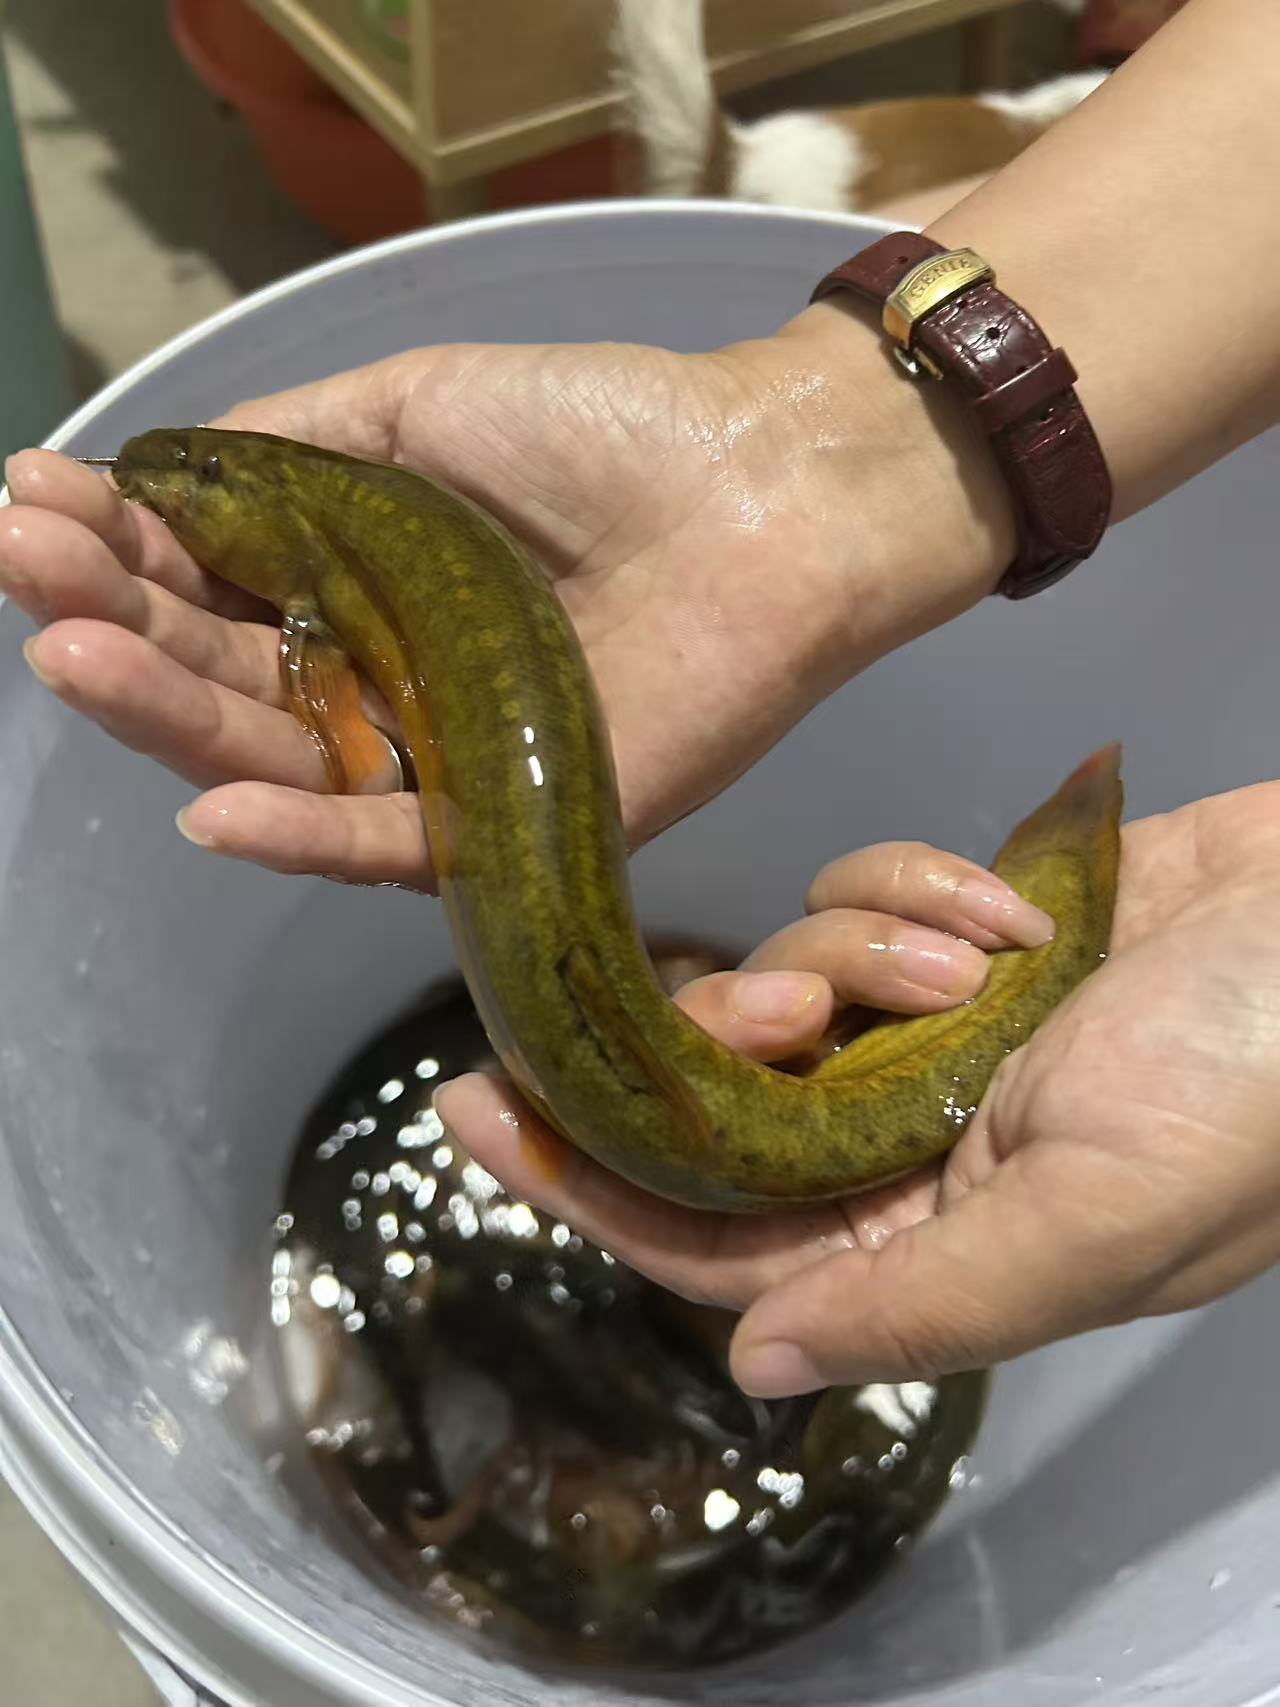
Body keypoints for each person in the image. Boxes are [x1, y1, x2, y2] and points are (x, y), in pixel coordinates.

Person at [3, 0, 1279, 1400]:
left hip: (640, 1026)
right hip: (623, 991)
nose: (169, 499)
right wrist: (825, 447)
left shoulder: (327, 585)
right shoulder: (342, 549)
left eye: (189, 486)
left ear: (277, 540)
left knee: (684, 1053)